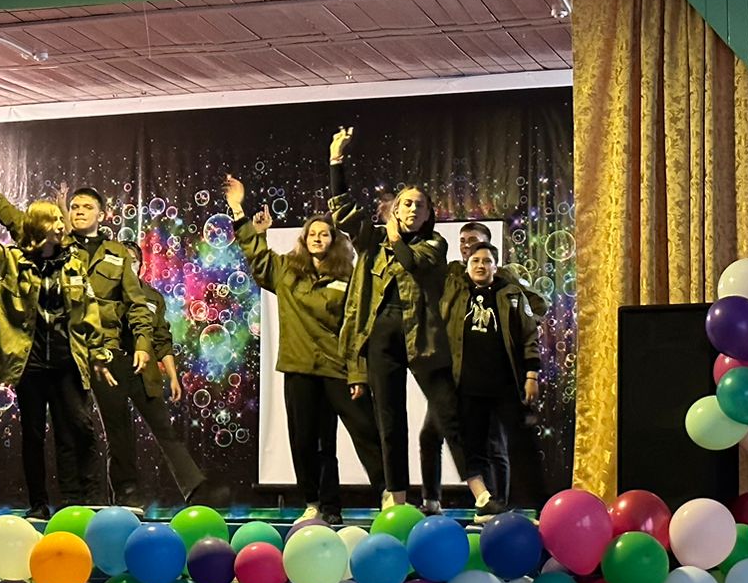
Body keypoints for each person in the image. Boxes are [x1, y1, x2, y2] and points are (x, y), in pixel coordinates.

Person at [327, 126, 481, 512]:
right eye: (406, 204)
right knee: (390, 421)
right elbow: (343, 211)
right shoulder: (372, 241)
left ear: (429, 214)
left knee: (449, 413)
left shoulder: (435, 244)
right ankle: (395, 499)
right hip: (381, 341)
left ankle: (481, 492)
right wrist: (336, 160)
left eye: (420, 205)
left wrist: (395, 237)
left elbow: (412, 263)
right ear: (396, 209)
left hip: (424, 340)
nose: (413, 209)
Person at [226, 174, 385, 524]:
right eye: (312, 233)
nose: (317, 238)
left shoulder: (349, 276)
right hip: (299, 369)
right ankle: (316, 504)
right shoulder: (286, 271)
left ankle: (389, 495)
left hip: (337, 369)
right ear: (304, 239)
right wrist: (238, 210)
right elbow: (258, 256)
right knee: (305, 441)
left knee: (363, 432)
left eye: (324, 234)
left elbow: (358, 328)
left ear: (334, 241)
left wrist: (358, 373)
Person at [0, 166, 113, 516]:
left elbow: (88, 311)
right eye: (55, 220)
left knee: (78, 428)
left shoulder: (72, 264)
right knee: (33, 434)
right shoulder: (10, 262)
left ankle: (83, 501)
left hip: (66, 362)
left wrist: (99, 353)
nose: (62, 224)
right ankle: (39, 504)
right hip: (30, 365)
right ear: (37, 227)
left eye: (62, 220)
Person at [419, 223, 549, 509]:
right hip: (461, 381)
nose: (469, 249)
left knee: (501, 444)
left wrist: (530, 372)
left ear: (494, 260)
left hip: (501, 382)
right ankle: (460, 501)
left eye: (482, 253)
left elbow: (535, 315)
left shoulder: (508, 288)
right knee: (455, 440)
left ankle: (510, 502)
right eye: (464, 244)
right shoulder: (454, 279)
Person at [107, 238, 209, 504]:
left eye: (133, 261)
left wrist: (173, 376)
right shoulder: (105, 294)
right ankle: (126, 495)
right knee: (118, 433)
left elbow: (162, 339)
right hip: (113, 367)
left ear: (141, 266)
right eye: (123, 260)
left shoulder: (152, 297)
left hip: (145, 369)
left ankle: (195, 489)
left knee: (164, 429)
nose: (129, 265)